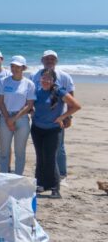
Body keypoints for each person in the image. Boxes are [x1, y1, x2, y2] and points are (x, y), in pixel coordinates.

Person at [31, 68, 81, 199]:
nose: (46, 81)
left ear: (53, 80)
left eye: (49, 78)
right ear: (40, 79)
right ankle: (41, 184)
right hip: (37, 129)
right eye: (44, 78)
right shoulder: (36, 91)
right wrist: (32, 112)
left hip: (53, 130)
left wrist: (63, 117)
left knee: (50, 158)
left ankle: (55, 188)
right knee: (40, 157)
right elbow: (29, 105)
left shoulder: (59, 92)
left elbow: (76, 106)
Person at [32, 50, 75, 183]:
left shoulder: (65, 76)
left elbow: (71, 97)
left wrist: (67, 117)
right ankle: (45, 176)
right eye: (47, 58)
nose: (49, 61)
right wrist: (32, 113)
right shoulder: (34, 75)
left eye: (52, 59)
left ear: (56, 61)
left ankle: (61, 175)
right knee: (43, 151)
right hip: (39, 120)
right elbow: (31, 96)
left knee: (59, 148)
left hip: (57, 120)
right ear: (42, 60)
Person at [0, 55, 36, 175]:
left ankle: (18, 176)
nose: (14, 69)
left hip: (22, 119)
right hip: (5, 117)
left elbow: (29, 105)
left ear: (23, 68)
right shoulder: (3, 81)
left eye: (18, 67)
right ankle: (3, 176)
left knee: (20, 152)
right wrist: (8, 119)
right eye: (13, 66)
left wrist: (14, 118)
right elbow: (0, 101)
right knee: (4, 151)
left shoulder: (29, 84)